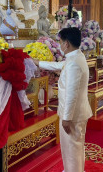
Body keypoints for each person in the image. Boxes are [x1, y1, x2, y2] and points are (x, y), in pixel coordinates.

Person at [34, 27, 92, 172]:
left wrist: (66, 118)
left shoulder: (73, 63)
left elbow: (71, 93)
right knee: (76, 148)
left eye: (60, 42)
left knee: (71, 150)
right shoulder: (77, 57)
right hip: (78, 113)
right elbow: (59, 65)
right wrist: (37, 62)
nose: (59, 45)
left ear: (66, 43)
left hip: (72, 115)